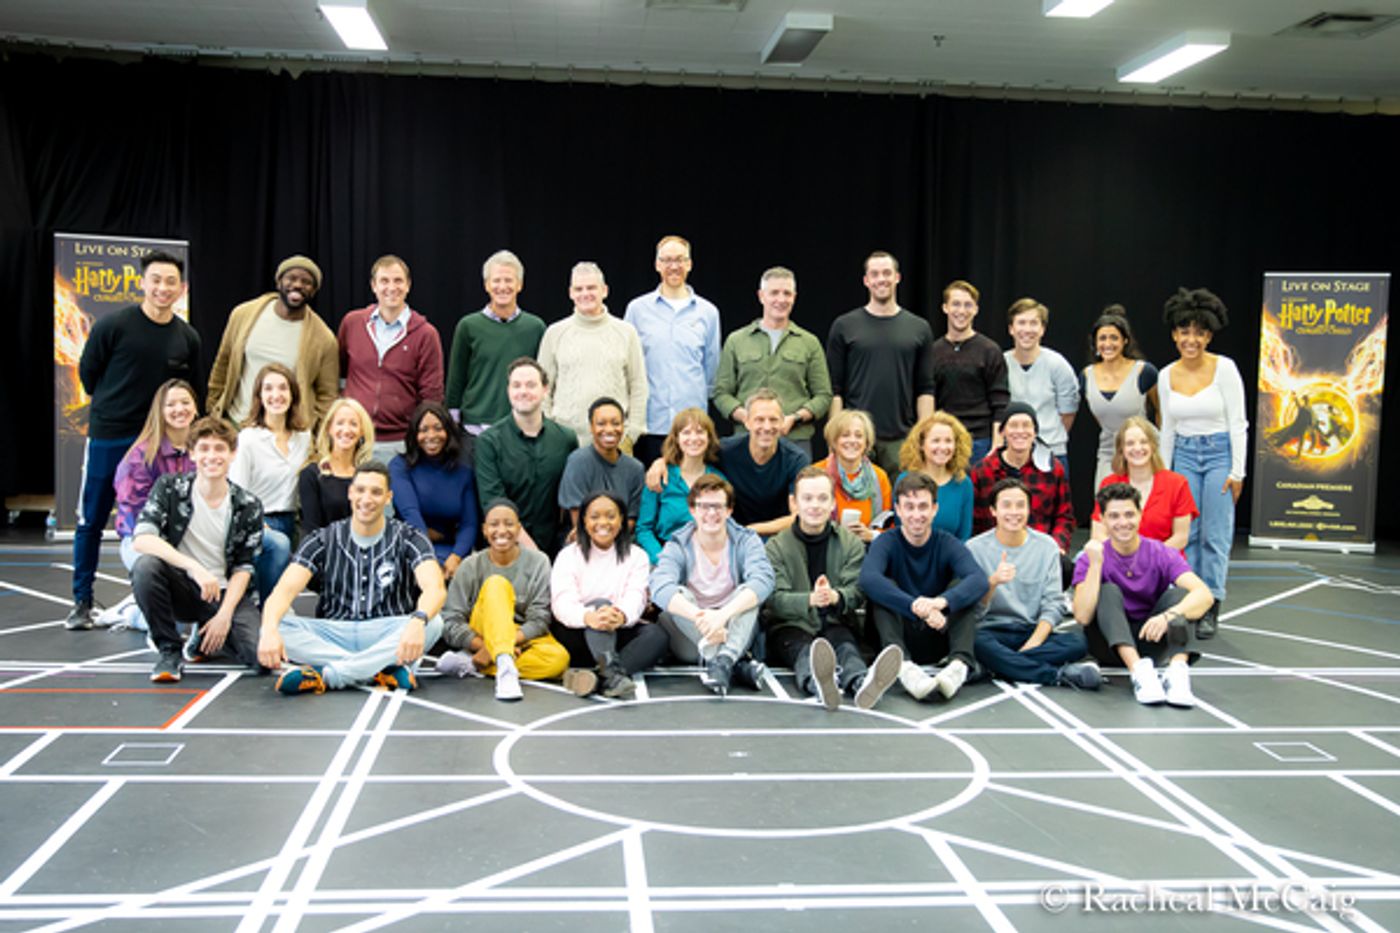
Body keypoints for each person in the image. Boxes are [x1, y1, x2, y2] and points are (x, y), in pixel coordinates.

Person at [68, 250, 202, 629]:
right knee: (91, 517)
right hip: (110, 435)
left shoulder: (187, 337)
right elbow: (89, 374)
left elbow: (192, 389)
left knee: (159, 522)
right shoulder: (113, 325)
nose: (162, 288)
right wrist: (113, 412)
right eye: (155, 280)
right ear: (142, 282)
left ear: (182, 288)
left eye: (170, 282)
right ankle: (81, 601)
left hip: (159, 442)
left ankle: (151, 596)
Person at [258, 461, 446, 694]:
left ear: (388, 498)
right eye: (360, 490)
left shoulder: (409, 537)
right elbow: (283, 592)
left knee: (433, 622)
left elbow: (435, 588)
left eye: (376, 492)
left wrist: (418, 621)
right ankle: (376, 669)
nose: (367, 499)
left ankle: (328, 675)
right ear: (350, 493)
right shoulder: (323, 538)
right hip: (334, 632)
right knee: (275, 622)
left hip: (386, 631)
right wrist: (268, 630)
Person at [130, 417, 264, 683]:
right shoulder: (170, 488)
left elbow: (243, 567)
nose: (211, 456)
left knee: (259, 658)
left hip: (222, 593)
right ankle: (169, 652)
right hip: (181, 584)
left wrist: (224, 615)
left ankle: (204, 639)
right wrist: (194, 567)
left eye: (219, 449)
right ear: (192, 453)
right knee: (145, 566)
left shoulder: (248, 505)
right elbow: (142, 539)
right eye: (204, 448)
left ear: (233, 454)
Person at [764, 468, 903, 710]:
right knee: (803, 652)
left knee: (847, 648)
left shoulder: (850, 543)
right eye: (807, 499)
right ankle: (818, 684)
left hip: (836, 621)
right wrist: (810, 599)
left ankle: (861, 682)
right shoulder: (776, 547)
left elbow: (858, 590)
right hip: (791, 626)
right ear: (793, 503)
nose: (815, 505)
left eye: (822, 498)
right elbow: (773, 599)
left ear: (832, 505)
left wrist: (836, 596)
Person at [1071, 483, 1212, 707]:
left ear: (1140, 515)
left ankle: (1177, 673)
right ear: (1104, 520)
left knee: (1181, 596)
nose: (1123, 522)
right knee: (1108, 591)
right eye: (1114, 516)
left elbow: (1205, 595)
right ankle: (1140, 673)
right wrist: (1096, 566)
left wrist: (1168, 616)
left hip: (1150, 639)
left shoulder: (1161, 552)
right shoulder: (1091, 557)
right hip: (1107, 644)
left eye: (1129, 514)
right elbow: (1082, 617)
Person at [1158, 287, 1247, 639]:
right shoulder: (1166, 375)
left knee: (1216, 534)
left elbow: (1238, 422)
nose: (1190, 339)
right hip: (1183, 455)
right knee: (1187, 533)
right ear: (1174, 334)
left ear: (1209, 334)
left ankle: (1212, 604)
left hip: (1219, 453)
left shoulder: (1224, 368)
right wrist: (1164, 473)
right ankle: (1189, 601)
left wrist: (1236, 471)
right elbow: (1167, 428)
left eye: (1198, 332)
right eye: (1184, 331)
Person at [860, 472, 988, 701]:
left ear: (934, 509)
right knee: (882, 587)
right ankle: (903, 667)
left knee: (962, 588)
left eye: (923, 507)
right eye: (909, 507)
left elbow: (979, 579)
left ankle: (958, 667)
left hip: (938, 632)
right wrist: (915, 606)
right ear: (897, 510)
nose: (916, 515)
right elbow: (868, 579)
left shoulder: (947, 542)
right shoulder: (886, 542)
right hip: (897, 635)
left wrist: (941, 603)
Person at [968, 479, 1101, 689]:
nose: (1014, 512)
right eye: (1006, 505)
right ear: (993, 511)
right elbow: (972, 612)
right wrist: (992, 583)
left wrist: (1034, 642)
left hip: (1031, 630)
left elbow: (1053, 603)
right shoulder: (974, 549)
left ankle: (996, 666)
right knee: (973, 642)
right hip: (991, 631)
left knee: (1077, 643)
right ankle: (1057, 675)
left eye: (1020, 505)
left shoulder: (1046, 546)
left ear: (1029, 510)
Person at [651, 475, 775, 697]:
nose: (711, 513)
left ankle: (723, 661)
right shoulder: (678, 543)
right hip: (692, 633)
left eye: (718, 506)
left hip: (734, 627)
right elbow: (659, 587)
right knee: (679, 595)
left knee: (747, 594)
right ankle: (733, 663)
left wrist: (722, 615)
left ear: (729, 510)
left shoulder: (746, 540)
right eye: (704, 506)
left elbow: (764, 579)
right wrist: (704, 618)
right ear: (692, 509)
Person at [435, 499, 569, 701]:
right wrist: (485, 645)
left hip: (521, 638)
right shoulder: (470, 566)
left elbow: (540, 618)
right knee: (496, 584)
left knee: (558, 660)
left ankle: (472, 664)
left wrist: (495, 647)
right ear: (484, 530)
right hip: (483, 631)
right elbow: (451, 621)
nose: (502, 530)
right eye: (494, 524)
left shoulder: (539, 561)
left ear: (518, 529)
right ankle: (505, 671)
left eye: (509, 523)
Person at [97, 379, 198, 630]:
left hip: (191, 540)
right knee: (175, 624)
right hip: (144, 543)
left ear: (196, 407)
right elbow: (135, 516)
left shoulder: (203, 448)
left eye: (185, 402)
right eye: (171, 404)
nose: (179, 409)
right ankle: (130, 612)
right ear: (160, 412)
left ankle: (146, 599)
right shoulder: (140, 456)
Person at [825, 251, 935, 474]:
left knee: (904, 505)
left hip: (902, 440)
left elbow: (926, 390)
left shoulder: (919, 328)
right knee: (856, 507)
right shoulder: (844, 326)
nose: (881, 279)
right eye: (874, 274)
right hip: (855, 440)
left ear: (897, 277)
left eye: (887, 273)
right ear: (866, 280)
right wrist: (835, 439)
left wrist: (923, 439)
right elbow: (835, 390)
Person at [550, 491, 667, 699]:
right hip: (577, 633)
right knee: (599, 604)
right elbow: (562, 603)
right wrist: (589, 617)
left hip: (616, 628)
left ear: (622, 520)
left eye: (611, 516)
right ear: (583, 520)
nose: (603, 522)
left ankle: (598, 677)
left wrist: (620, 615)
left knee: (656, 636)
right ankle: (612, 674)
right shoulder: (568, 555)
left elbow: (636, 596)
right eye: (594, 517)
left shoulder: (637, 556)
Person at [713, 266, 832, 459]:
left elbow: (823, 395)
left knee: (799, 489)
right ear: (761, 296)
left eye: (787, 293)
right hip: (747, 439)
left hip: (795, 440)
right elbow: (721, 393)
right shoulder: (737, 340)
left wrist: (794, 418)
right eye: (774, 293)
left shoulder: (809, 342)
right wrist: (746, 417)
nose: (781, 299)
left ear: (794, 297)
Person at [207, 255, 338, 430]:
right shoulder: (244, 315)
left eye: (306, 282)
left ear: (314, 291)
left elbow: (327, 395)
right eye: (291, 278)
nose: (298, 285)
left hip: (285, 434)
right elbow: (223, 362)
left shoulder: (324, 338)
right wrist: (213, 406)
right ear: (279, 282)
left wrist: (311, 430)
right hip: (237, 424)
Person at [623, 235, 722, 466]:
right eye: (667, 260)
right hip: (649, 424)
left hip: (692, 429)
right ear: (657, 265)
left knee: (689, 493)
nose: (673, 266)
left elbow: (711, 369)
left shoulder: (708, 312)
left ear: (690, 264)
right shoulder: (637, 309)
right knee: (651, 491)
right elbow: (627, 364)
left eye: (680, 259)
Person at [338, 254, 444, 462]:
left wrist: (419, 436)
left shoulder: (425, 334)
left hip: (400, 443)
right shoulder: (352, 323)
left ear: (408, 285)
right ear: (373, 286)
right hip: (355, 439)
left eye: (398, 281)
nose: (391, 287)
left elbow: (431, 395)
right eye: (384, 281)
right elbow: (340, 374)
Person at [538, 261, 648, 448]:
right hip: (564, 442)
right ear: (571, 293)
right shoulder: (555, 333)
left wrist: (631, 434)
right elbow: (542, 389)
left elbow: (638, 385)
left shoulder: (626, 332)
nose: (585, 294)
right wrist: (549, 432)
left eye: (591, 288)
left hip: (614, 441)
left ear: (604, 290)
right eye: (578, 289)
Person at [474, 357, 576, 553]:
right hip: (504, 549)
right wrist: (535, 556)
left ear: (545, 389)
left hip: (556, 548)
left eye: (531, 385)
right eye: (516, 385)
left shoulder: (566, 439)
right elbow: (492, 501)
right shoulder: (488, 442)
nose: (523, 391)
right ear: (508, 390)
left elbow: (570, 497)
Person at [228, 363, 306, 604]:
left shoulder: (304, 438)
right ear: (259, 397)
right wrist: (259, 523)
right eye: (268, 389)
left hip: (291, 521)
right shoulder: (249, 439)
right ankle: (268, 609)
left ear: (292, 394)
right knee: (279, 545)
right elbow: (236, 493)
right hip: (257, 522)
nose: (276, 395)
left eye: (283, 388)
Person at [970, 403, 1075, 581]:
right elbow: (975, 520)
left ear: (1035, 432)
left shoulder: (1052, 468)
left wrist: (1056, 546)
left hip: (1038, 551)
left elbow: (1064, 516)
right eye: (1013, 425)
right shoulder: (982, 470)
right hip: (995, 551)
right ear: (1002, 432)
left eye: (1026, 425)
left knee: (1064, 566)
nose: (1020, 431)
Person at [446, 250, 546, 435]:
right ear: (486, 285)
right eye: (496, 280)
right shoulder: (468, 326)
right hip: (475, 427)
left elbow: (542, 379)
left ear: (519, 285)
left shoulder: (535, 327)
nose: (502, 286)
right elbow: (456, 379)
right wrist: (453, 423)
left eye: (509, 280)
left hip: (521, 426)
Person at [389, 401, 479, 580]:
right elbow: (410, 513)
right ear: (415, 434)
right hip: (411, 546)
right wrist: (427, 557)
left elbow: (469, 524)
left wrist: (456, 557)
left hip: (451, 550)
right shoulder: (400, 467)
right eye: (423, 430)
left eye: (438, 428)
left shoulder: (463, 471)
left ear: (449, 432)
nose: (431, 435)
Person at [930, 280, 1010, 464]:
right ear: (945, 308)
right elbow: (928, 400)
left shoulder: (990, 350)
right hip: (945, 441)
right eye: (956, 304)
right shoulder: (933, 351)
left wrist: (997, 445)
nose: (962, 311)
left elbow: (1000, 402)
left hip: (981, 441)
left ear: (976, 309)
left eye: (968, 305)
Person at [1090, 417, 1196, 553]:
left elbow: (1181, 537)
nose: (1137, 448)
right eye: (1130, 443)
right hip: (1120, 562)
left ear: (1153, 446)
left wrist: (1146, 559)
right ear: (1121, 450)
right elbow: (1098, 534)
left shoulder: (1177, 484)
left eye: (1143, 442)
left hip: (1164, 563)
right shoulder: (1109, 484)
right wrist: (1125, 558)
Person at [1081, 308, 1160, 491]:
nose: (1108, 344)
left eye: (1114, 338)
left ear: (1125, 341)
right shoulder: (1086, 376)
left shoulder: (1144, 372)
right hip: (1109, 451)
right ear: (1095, 343)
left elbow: (1160, 412)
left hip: (1143, 450)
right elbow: (1102, 418)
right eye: (1102, 338)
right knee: (1107, 508)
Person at [636, 407, 725, 564]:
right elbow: (644, 529)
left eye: (699, 432)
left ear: (709, 438)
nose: (693, 438)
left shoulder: (719, 480)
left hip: (706, 558)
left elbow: (725, 526)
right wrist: (662, 558)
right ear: (676, 438)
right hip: (665, 554)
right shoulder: (659, 477)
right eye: (686, 432)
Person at [1004, 297, 1079, 474]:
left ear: (1042, 329)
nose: (1027, 329)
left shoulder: (1057, 364)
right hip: (1012, 454)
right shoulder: (1001, 363)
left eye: (1033, 323)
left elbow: (1068, 412)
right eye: (1021, 323)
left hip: (1052, 451)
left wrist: (1047, 437)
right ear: (1011, 329)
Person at [557, 398, 646, 529]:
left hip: (621, 540)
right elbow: (577, 518)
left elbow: (631, 519)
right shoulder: (578, 461)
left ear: (623, 426)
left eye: (616, 423)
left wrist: (613, 541)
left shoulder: (635, 468)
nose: (609, 429)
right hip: (583, 539)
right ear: (591, 427)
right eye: (601, 424)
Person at [298, 397, 375, 536]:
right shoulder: (312, 474)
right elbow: (311, 530)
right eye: (340, 423)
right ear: (329, 428)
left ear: (362, 430)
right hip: (324, 551)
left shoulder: (369, 476)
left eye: (353, 424)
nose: (346, 430)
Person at [813, 409, 891, 544]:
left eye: (859, 436)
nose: (852, 441)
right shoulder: (816, 474)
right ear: (834, 441)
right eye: (845, 435)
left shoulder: (880, 477)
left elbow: (889, 526)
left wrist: (871, 534)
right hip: (823, 547)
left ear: (867, 442)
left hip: (867, 550)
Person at [897, 412, 975, 540]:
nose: (943, 447)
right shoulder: (905, 480)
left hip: (951, 557)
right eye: (936, 441)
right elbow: (899, 531)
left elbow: (964, 535)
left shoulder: (963, 483)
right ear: (921, 444)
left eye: (948, 441)